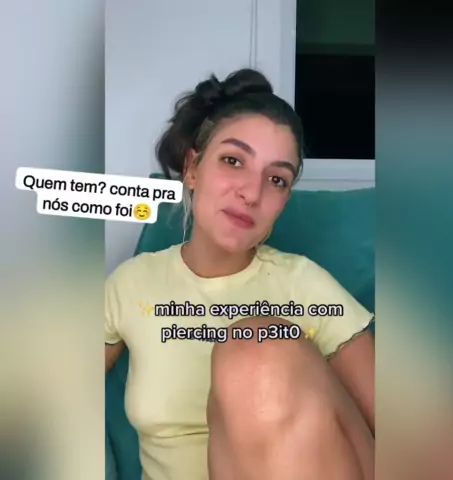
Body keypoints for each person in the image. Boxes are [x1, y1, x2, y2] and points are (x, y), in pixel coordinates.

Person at [105, 69, 375, 480]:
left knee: (256, 343)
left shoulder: (304, 285)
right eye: (233, 161)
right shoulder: (132, 285)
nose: (252, 193)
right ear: (193, 168)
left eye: (277, 180)